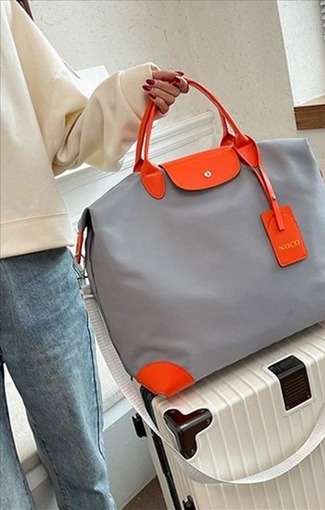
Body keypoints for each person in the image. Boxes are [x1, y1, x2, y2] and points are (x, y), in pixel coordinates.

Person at [0, 1, 189, 508]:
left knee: (85, 472)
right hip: (31, 258)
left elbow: (61, 130)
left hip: (29, 260)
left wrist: (131, 97)